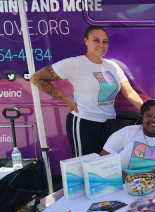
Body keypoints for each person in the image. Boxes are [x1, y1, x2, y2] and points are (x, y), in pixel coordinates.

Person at [30, 25, 144, 158]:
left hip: (109, 124)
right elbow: (36, 78)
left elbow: (130, 93)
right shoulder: (75, 63)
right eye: (96, 40)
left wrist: (147, 113)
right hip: (85, 122)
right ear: (86, 41)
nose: (101, 44)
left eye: (105, 41)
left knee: (107, 165)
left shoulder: (113, 66)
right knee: (83, 165)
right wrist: (66, 99)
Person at [100, 100, 155, 180]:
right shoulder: (125, 132)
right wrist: (130, 179)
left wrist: (153, 174)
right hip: (123, 184)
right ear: (142, 116)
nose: (153, 119)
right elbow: (103, 162)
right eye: (148, 115)